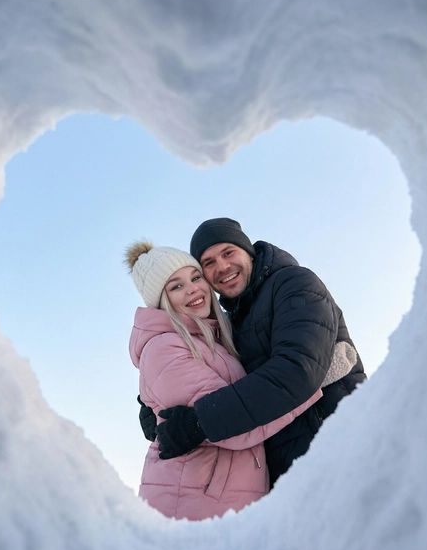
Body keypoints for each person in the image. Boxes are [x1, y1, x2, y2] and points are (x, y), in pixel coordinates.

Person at [147, 218, 366, 485]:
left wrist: (201, 422)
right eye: (209, 263)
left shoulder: (293, 283)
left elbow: (296, 371)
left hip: (341, 444)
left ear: (248, 251)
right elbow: (209, 372)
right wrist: (155, 408)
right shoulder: (232, 322)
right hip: (288, 474)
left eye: (228, 253)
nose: (222, 267)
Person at [126, 240, 322, 521]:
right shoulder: (164, 347)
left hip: (223, 498)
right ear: (161, 301)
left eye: (195, 277)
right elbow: (234, 424)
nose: (193, 288)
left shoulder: (214, 340)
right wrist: (310, 385)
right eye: (176, 286)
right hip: (192, 502)